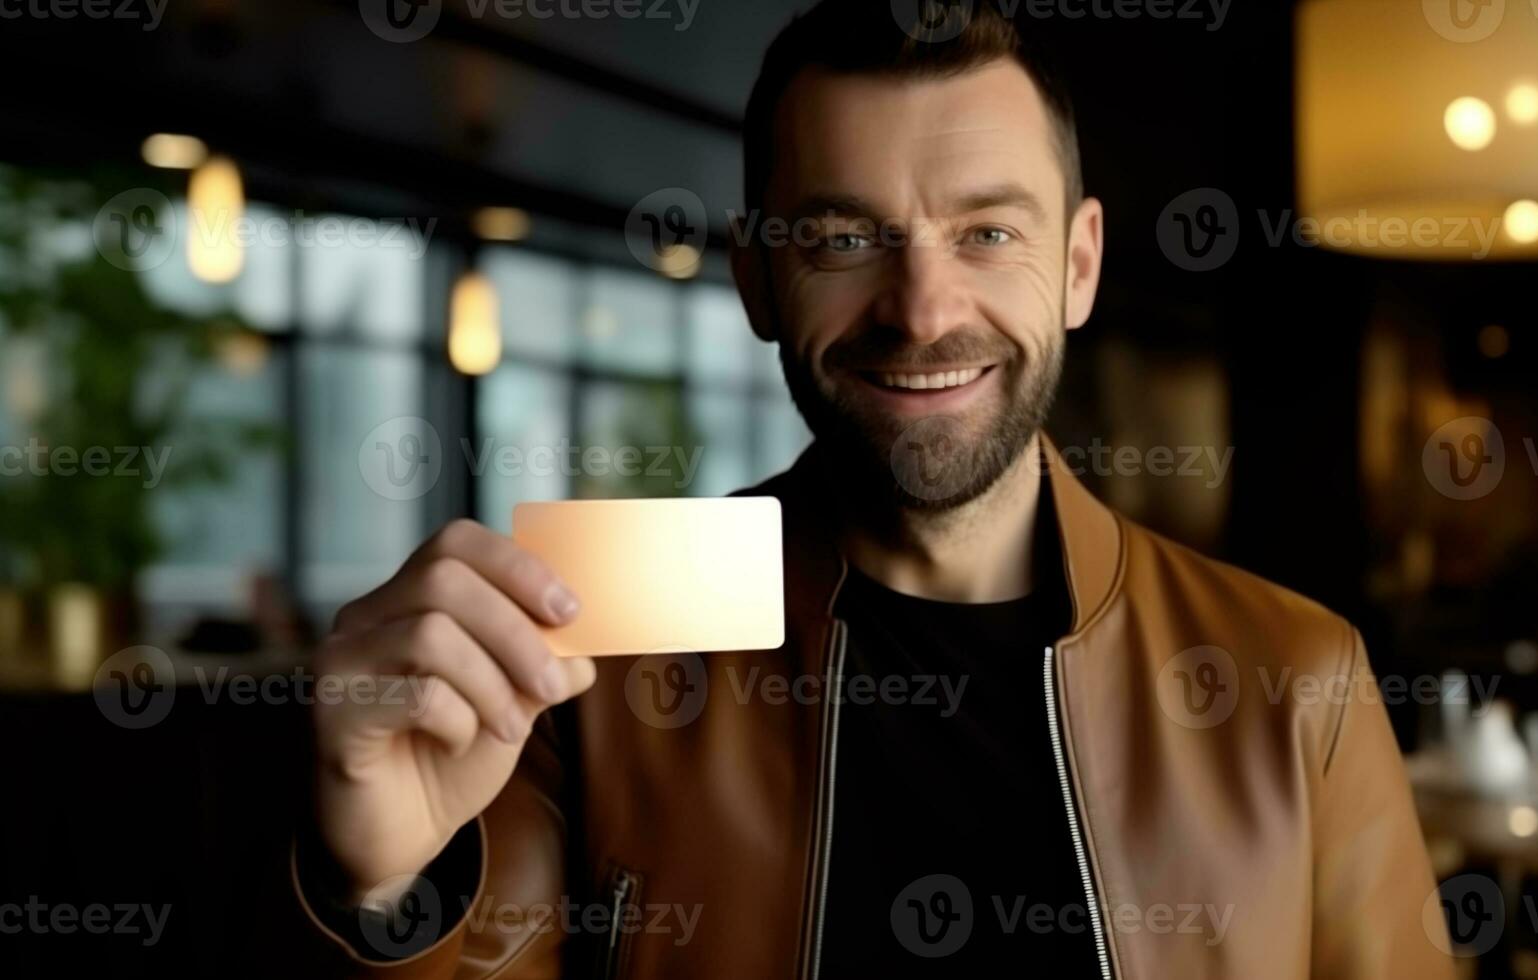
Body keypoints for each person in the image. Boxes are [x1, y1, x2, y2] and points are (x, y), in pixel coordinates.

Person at [274, 2, 1454, 976]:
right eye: (844, 239)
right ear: (756, 280)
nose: (924, 311)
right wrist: (385, 887)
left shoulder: (1300, 679)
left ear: (1080, 266)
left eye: (988, 234)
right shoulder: (593, 661)